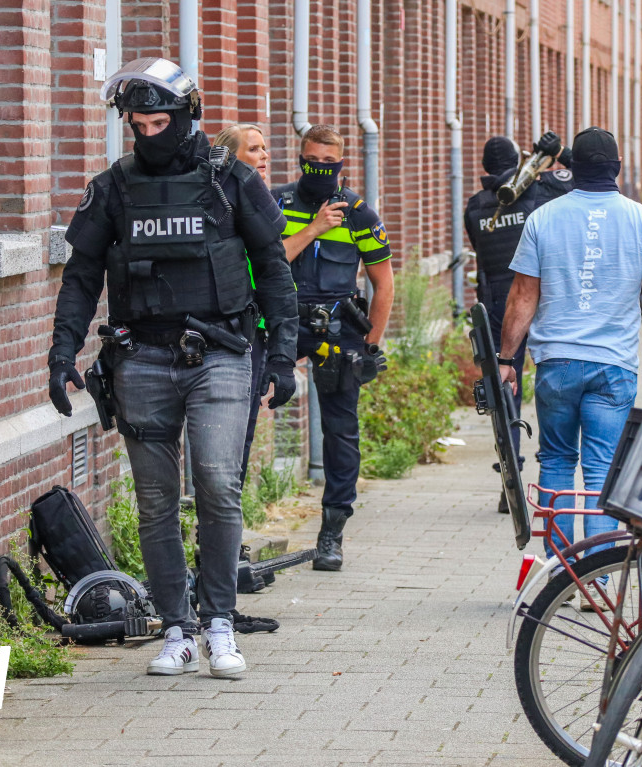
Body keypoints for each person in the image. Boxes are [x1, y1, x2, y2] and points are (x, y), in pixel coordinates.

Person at [47, 59, 298, 678]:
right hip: (140, 358)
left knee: (217, 483)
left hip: (218, 353)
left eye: (160, 122)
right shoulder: (112, 188)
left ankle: (218, 620)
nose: (148, 135)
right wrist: (62, 350)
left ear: (188, 117)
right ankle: (176, 628)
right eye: (137, 125)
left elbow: (273, 270)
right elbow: (80, 278)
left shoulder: (234, 181)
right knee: (156, 500)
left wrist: (284, 355)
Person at [498, 127, 642, 558]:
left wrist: (507, 359)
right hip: (614, 367)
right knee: (601, 469)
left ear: (571, 167)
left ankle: (559, 573)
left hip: (557, 363)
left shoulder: (543, 218)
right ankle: (597, 574)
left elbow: (523, 295)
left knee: (558, 461)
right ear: (617, 169)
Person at [270, 124, 395, 572]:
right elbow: (266, 261)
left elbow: (384, 284)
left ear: (342, 164)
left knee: (341, 431)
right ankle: (227, 534)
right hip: (280, 322)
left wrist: (372, 345)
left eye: (329, 163)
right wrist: (318, 227)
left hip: (337, 328)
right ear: (299, 157)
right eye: (312, 160)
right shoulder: (276, 202)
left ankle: (332, 532)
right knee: (239, 413)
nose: (319, 169)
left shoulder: (360, 213)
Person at [464, 132, 573, 513]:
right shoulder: (542, 190)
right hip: (545, 300)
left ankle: (510, 477)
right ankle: (556, 468)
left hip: (498, 305)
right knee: (557, 379)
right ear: (518, 160)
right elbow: (590, 176)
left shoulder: (476, 206)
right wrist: (558, 153)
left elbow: (482, 254)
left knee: (507, 389)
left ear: (484, 168)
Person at [211, 123, 274, 484]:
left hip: (258, 332)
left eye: (264, 148)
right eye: (253, 149)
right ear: (229, 158)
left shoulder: (263, 200)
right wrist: (313, 230)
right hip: (234, 336)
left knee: (244, 436)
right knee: (230, 440)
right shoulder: (225, 205)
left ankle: (227, 535)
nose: (263, 155)